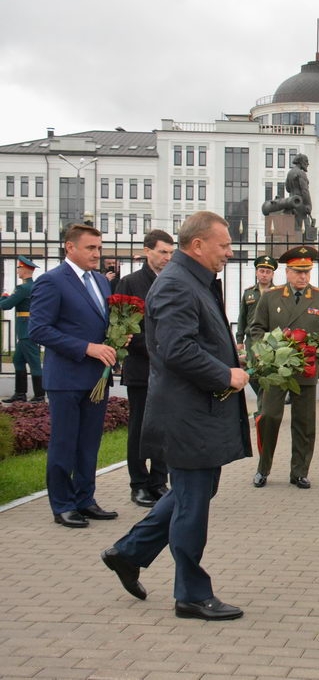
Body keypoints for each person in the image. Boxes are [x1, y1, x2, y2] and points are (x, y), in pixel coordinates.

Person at [99, 211, 251, 620]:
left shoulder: (194, 280)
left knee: (193, 494)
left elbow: (195, 340)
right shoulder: (176, 285)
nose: (230, 252)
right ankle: (191, 595)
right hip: (186, 415)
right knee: (191, 505)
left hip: (197, 413)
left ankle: (128, 553)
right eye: (224, 245)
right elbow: (176, 349)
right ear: (197, 245)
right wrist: (225, 374)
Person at [28, 223, 118, 529]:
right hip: (66, 378)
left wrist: (118, 338)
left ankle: (84, 499)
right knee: (65, 443)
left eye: (99, 248)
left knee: (89, 444)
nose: (97, 253)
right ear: (70, 247)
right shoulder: (52, 281)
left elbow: (100, 323)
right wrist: (86, 347)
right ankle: (63, 505)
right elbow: (39, 329)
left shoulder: (101, 281)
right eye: (90, 248)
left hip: (97, 378)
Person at [249, 245, 319, 489]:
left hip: (305, 369)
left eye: (306, 271)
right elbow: (256, 328)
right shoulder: (271, 297)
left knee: (304, 423)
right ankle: (263, 468)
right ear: (287, 272)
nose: (303, 277)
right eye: (298, 271)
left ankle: (299, 471)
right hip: (276, 369)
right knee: (269, 416)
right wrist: (265, 350)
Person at [114, 230, 175, 508]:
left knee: (164, 427)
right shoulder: (130, 283)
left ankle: (159, 481)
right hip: (142, 367)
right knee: (139, 427)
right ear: (147, 251)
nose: (167, 258)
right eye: (162, 252)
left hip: (170, 369)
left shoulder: (174, 282)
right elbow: (123, 328)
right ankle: (138, 484)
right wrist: (157, 348)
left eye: (171, 253)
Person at [1, 255, 44, 403]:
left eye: (19, 268)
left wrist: (3, 297)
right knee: (18, 360)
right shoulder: (33, 286)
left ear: (25, 269)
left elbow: (6, 305)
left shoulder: (23, 288)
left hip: (26, 330)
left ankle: (39, 395)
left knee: (34, 362)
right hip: (28, 327)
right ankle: (20, 394)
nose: (17, 270)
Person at [235, 255, 277, 372]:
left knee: (268, 371)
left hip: (270, 338)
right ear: (256, 273)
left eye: (268, 272)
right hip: (251, 339)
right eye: (261, 271)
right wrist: (239, 340)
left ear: (272, 275)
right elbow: (242, 317)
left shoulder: (278, 293)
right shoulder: (248, 293)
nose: (264, 275)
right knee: (252, 370)